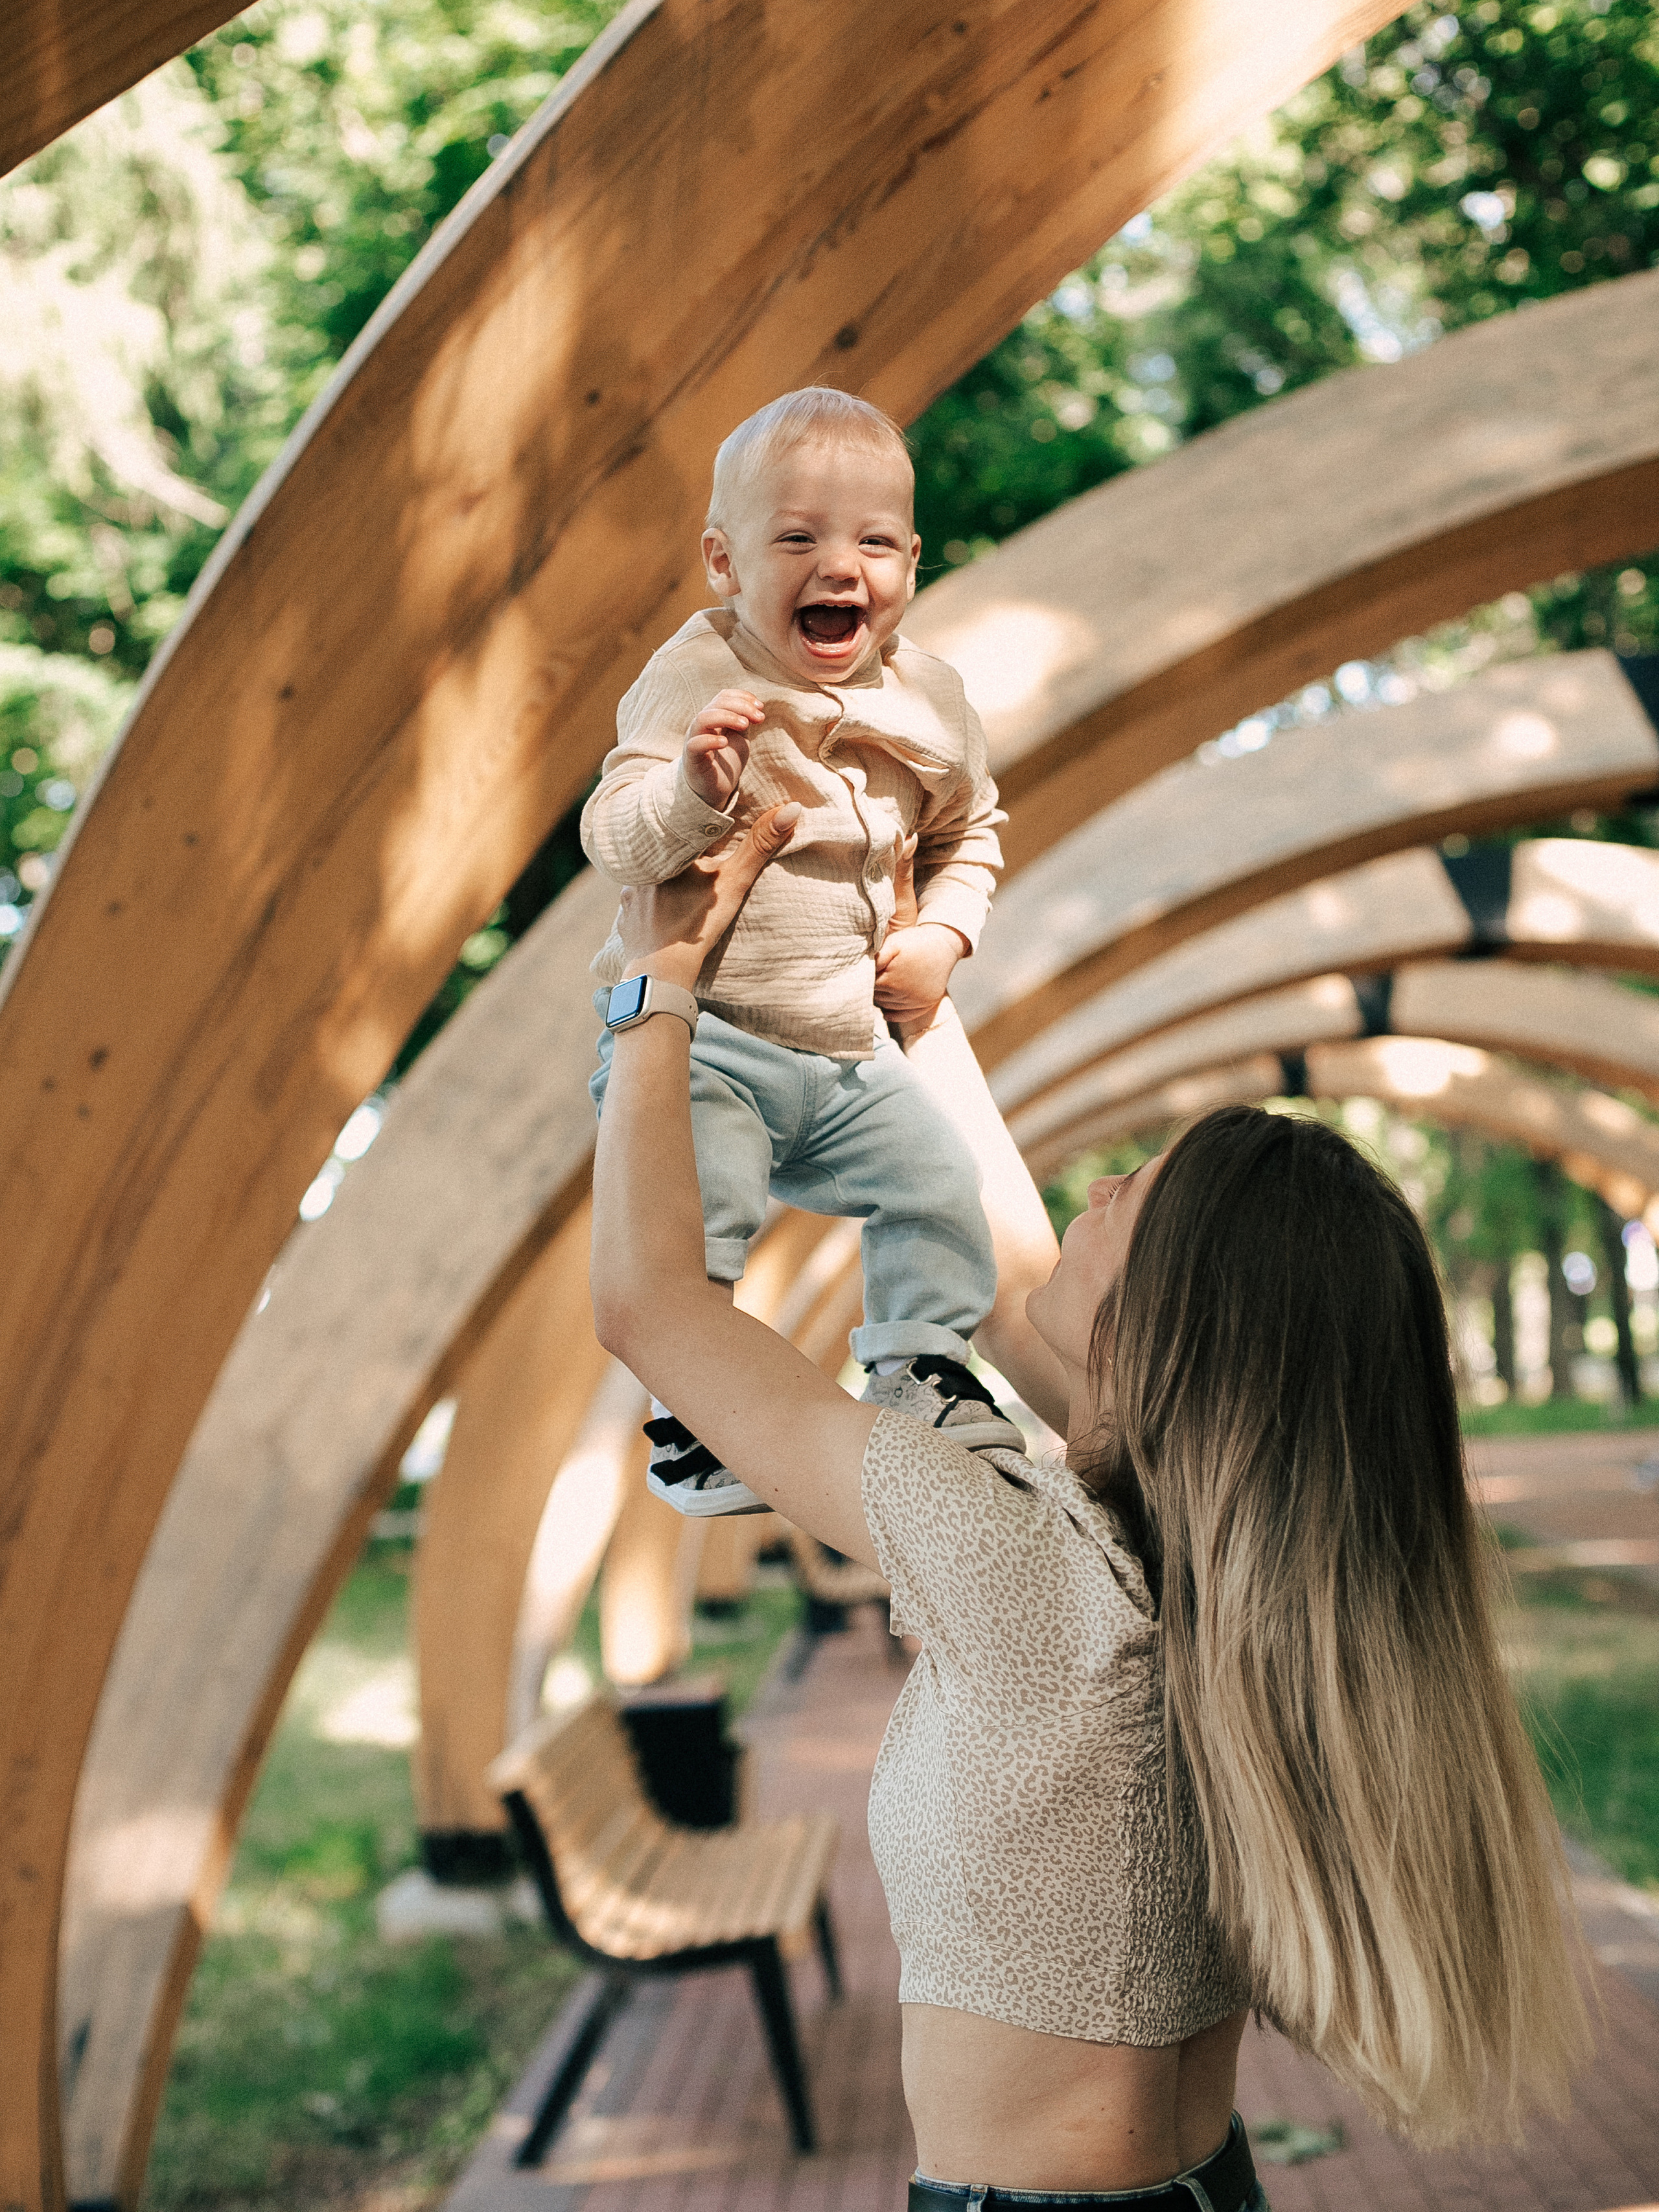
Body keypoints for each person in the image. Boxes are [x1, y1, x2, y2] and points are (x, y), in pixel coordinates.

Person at [588, 809, 1591, 2210]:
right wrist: (915, 1009)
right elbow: (1009, 1275)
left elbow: (652, 1304)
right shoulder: (1209, 1560)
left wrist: (658, 982)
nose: (1101, 1186)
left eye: (1141, 1195)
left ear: (1167, 1325)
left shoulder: (1013, 1563)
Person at [583, 385, 1021, 1517]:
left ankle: (923, 1369)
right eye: (799, 539)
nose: (842, 566)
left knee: (939, 1181)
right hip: (714, 1041)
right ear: (725, 564)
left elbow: (970, 829)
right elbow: (613, 835)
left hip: (846, 1048)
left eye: (875, 540)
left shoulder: (932, 697)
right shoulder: (698, 678)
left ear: (912, 565)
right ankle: (696, 1421)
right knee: (704, 1207)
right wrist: (691, 792)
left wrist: (943, 932)